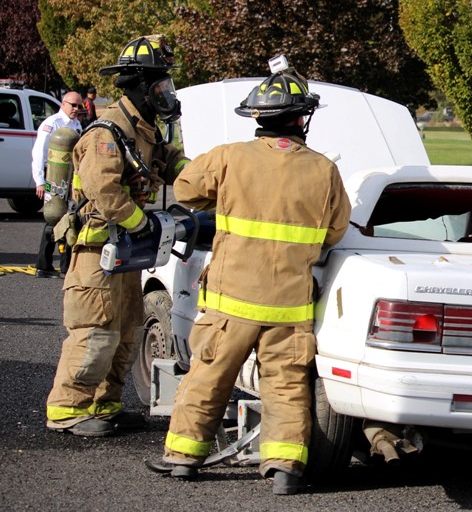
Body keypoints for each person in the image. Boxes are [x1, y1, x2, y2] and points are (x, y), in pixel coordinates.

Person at [146, 58, 351, 495]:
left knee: (209, 377)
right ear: (301, 119)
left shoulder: (228, 158)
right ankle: (285, 471)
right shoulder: (324, 171)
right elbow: (335, 232)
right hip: (290, 307)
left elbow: (185, 191)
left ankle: (183, 459)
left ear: (256, 118)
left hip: (230, 302)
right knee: (286, 387)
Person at [45, 36, 190, 437]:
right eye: (161, 85)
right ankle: (67, 409)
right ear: (140, 86)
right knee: (94, 330)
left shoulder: (144, 130)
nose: (166, 93)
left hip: (124, 251)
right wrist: (140, 223)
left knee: (125, 329)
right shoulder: (107, 133)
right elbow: (104, 191)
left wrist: (214, 176)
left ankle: (104, 404)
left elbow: (173, 165)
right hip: (96, 250)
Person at [31, 91, 83, 278]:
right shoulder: (51, 124)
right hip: (53, 176)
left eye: (79, 106)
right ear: (63, 104)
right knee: (53, 218)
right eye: (73, 105)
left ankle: (66, 267)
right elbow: (39, 154)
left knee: (69, 218)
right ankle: (43, 266)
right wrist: (40, 181)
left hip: (70, 178)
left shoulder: (77, 125)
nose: (76, 109)